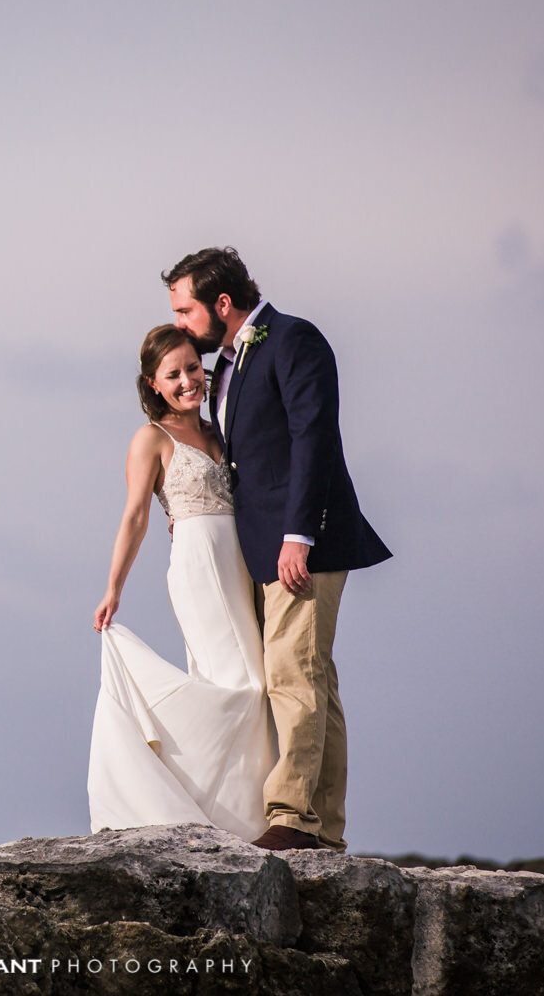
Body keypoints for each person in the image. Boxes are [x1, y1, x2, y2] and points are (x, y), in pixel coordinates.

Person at [164, 246, 391, 852]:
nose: (181, 325)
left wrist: (299, 536)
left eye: (186, 311)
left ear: (221, 303)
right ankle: (325, 827)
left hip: (304, 544)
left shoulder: (294, 339)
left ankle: (291, 817)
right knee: (314, 683)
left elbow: (311, 436)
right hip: (262, 548)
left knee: (294, 677)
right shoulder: (229, 366)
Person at [87, 325, 275, 842]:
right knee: (246, 685)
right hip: (198, 566)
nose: (188, 380)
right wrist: (114, 588)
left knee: (246, 686)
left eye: (193, 367)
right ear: (153, 384)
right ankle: (206, 806)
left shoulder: (220, 432)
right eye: (173, 374)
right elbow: (135, 518)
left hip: (241, 563)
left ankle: (228, 814)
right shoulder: (152, 438)